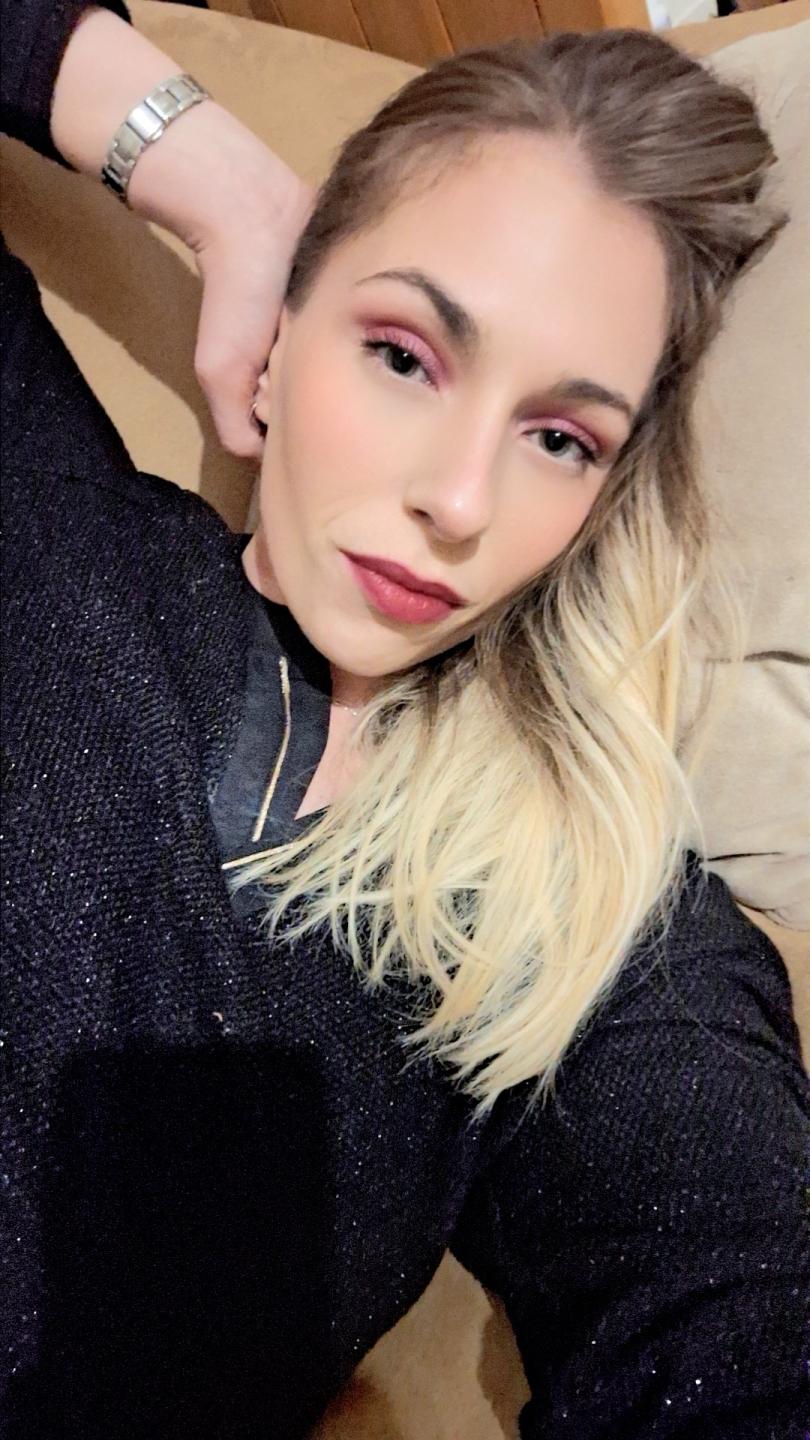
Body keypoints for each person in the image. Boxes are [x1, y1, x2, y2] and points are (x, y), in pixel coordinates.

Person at [1, 3, 807, 1438]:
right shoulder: (43, 497)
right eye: (404, 353)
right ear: (286, 319)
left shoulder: (587, 910)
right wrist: (227, 190)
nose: (459, 499)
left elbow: (738, 1305)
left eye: (558, 438)